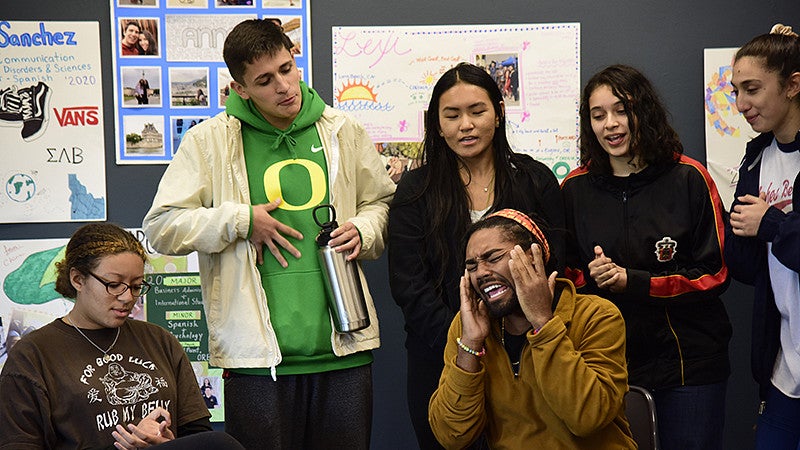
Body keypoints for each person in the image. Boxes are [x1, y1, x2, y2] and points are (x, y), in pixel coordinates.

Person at [143, 19, 394, 449]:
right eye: (264, 80)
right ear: (240, 88)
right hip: (256, 363)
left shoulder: (341, 130)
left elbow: (381, 202)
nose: (283, 86)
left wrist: (364, 229)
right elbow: (161, 227)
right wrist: (240, 220)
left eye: (286, 68)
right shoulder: (209, 142)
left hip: (345, 352)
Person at [388, 62, 564, 449]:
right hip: (440, 356)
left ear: (498, 113)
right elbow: (408, 284)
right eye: (452, 115)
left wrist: (513, 338)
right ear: (436, 124)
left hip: (526, 356)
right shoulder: (416, 190)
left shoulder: (534, 180)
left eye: (477, 111)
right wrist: (463, 340)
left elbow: (556, 264)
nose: (465, 125)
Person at [560, 64, 731, 450]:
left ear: (645, 111)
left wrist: (633, 281)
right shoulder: (574, 188)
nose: (611, 125)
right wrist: (592, 277)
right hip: (608, 365)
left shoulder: (689, 177)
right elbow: (565, 274)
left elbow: (714, 272)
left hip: (689, 365)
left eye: (622, 110)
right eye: (598, 115)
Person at [0, 223, 243, 450]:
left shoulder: (159, 340)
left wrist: (167, 443)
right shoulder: (33, 355)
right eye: (114, 284)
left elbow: (197, 432)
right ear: (77, 279)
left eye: (136, 286)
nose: (127, 297)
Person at [428, 209, 634, 448]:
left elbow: (587, 418)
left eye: (493, 258)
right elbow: (451, 436)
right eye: (472, 266)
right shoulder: (469, 328)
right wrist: (471, 346)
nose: (481, 273)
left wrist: (543, 323)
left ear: (534, 257)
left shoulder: (596, 315)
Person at [726, 23, 800, 450]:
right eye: (736, 91)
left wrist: (770, 224)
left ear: (792, 85)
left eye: (751, 89)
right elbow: (750, 266)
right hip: (783, 366)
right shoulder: (757, 155)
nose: (741, 104)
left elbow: (769, 228)